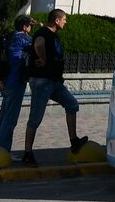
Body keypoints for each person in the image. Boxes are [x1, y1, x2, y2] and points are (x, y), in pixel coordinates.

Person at [22, 9, 88, 165]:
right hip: (42, 81)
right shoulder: (44, 33)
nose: (66, 21)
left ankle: (74, 141)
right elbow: (38, 44)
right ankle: (27, 152)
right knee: (35, 117)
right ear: (57, 20)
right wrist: (43, 59)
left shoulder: (52, 34)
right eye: (64, 19)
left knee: (72, 104)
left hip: (54, 82)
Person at [0, 15, 35, 152]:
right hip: (16, 82)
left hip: (5, 81)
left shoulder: (8, 37)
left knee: (3, 117)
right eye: (30, 25)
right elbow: (39, 43)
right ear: (24, 27)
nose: (31, 28)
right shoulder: (23, 38)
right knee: (10, 119)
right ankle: (4, 151)